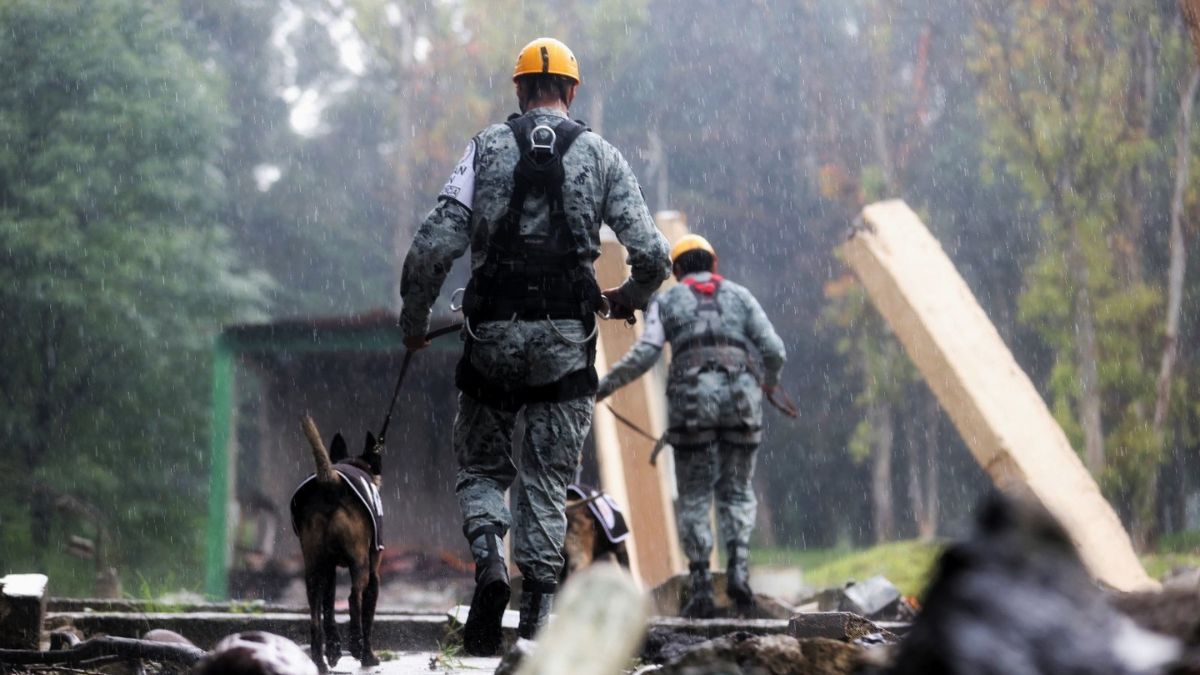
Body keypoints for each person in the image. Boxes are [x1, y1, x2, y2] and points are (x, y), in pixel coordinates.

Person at [399, 37, 670, 654]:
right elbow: (653, 254)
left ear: (518, 91)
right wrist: (627, 296)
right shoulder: (601, 156)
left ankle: (490, 563)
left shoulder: (485, 149)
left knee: (481, 466)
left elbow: (431, 247)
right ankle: (539, 620)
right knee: (548, 479)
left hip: (490, 338)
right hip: (563, 345)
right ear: (572, 92)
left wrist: (414, 321)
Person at [595, 234, 786, 618]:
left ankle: (701, 588)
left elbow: (647, 352)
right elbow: (774, 350)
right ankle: (738, 574)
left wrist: (602, 387)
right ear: (714, 265)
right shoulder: (741, 296)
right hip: (741, 402)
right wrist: (768, 380)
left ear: (677, 270)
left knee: (696, 494)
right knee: (736, 492)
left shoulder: (668, 299)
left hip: (692, 405)